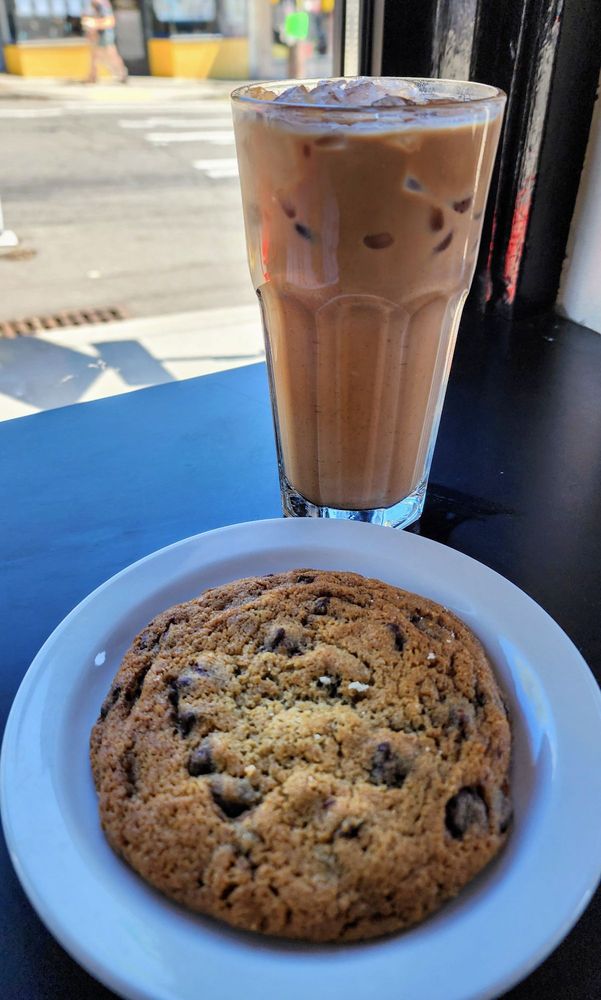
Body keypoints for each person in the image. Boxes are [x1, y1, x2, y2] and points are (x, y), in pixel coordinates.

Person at [82, 0, 128, 84]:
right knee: (95, 56)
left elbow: (110, 22)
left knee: (111, 54)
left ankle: (122, 73)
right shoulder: (92, 5)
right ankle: (93, 76)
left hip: (105, 35)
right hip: (97, 35)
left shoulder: (102, 4)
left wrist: (94, 23)